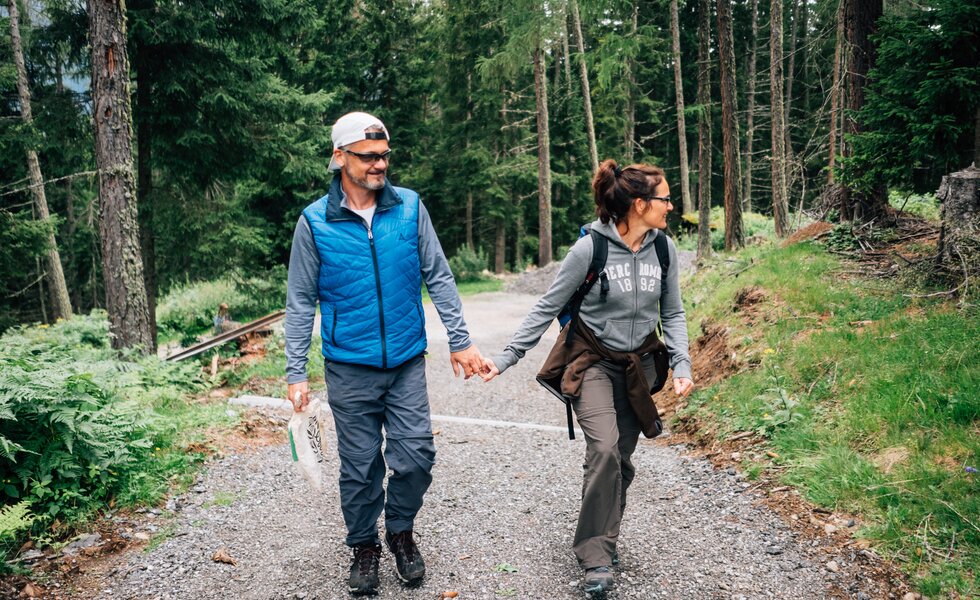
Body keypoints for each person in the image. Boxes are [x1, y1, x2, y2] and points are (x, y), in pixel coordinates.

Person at [284, 111, 486, 595]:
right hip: (348, 367)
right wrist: (296, 371)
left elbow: (438, 275)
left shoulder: (410, 208)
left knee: (416, 457)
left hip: (405, 362)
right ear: (340, 157)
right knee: (359, 467)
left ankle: (400, 531)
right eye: (368, 157)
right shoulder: (315, 222)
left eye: (384, 156)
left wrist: (460, 339)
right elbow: (300, 300)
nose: (379, 165)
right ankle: (363, 546)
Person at [481, 159, 694, 595]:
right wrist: (507, 357)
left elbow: (672, 312)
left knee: (620, 461)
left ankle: (603, 535)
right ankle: (595, 557)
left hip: (637, 367)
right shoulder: (589, 249)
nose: (671, 206)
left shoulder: (663, 249)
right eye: (665, 199)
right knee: (604, 449)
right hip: (591, 362)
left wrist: (682, 364)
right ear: (639, 204)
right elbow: (547, 306)